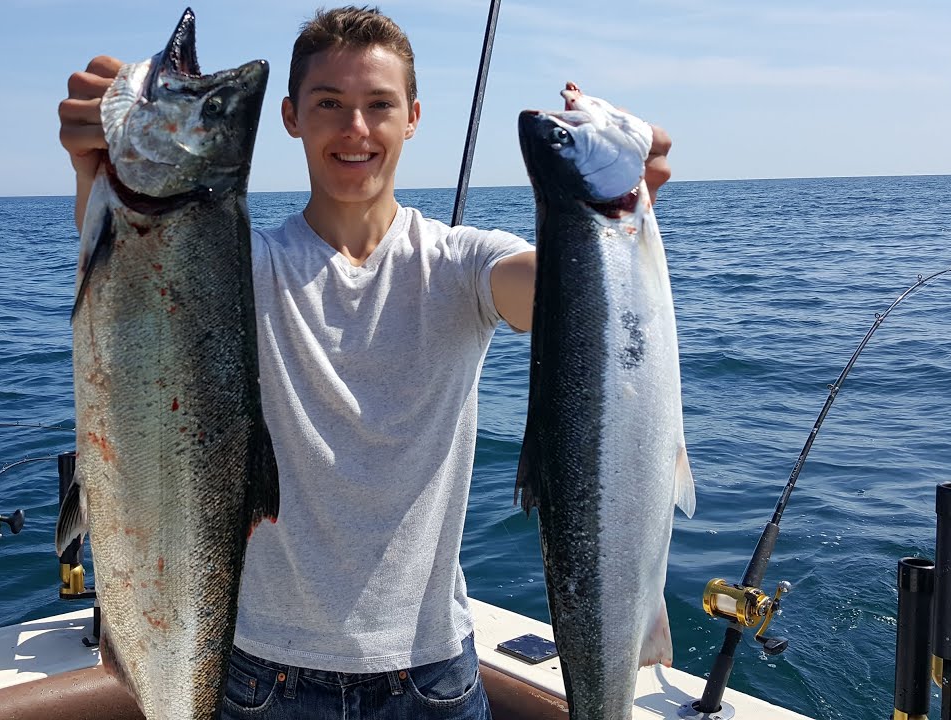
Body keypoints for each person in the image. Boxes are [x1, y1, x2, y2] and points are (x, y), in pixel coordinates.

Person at [58, 6, 672, 719]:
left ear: (413, 118)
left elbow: (568, 303)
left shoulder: (462, 263)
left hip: (432, 676)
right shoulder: (238, 265)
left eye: (379, 104)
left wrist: (607, 221)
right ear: (290, 117)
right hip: (259, 676)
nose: (356, 128)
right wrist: (96, 167)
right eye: (329, 104)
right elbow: (140, 276)